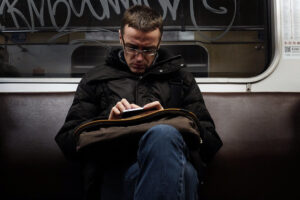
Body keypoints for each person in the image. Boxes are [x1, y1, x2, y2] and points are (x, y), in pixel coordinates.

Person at [55, 5, 222, 200]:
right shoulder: (95, 79)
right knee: (179, 173)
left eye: (148, 50)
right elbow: (67, 142)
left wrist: (166, 118)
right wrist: (108, 122)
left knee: (163, 136)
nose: (139, 58)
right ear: (120, 38)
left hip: (175, 165)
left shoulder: (180, 79)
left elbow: (210, 143)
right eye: (132, 47)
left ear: (159, 44)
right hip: (117, 172)